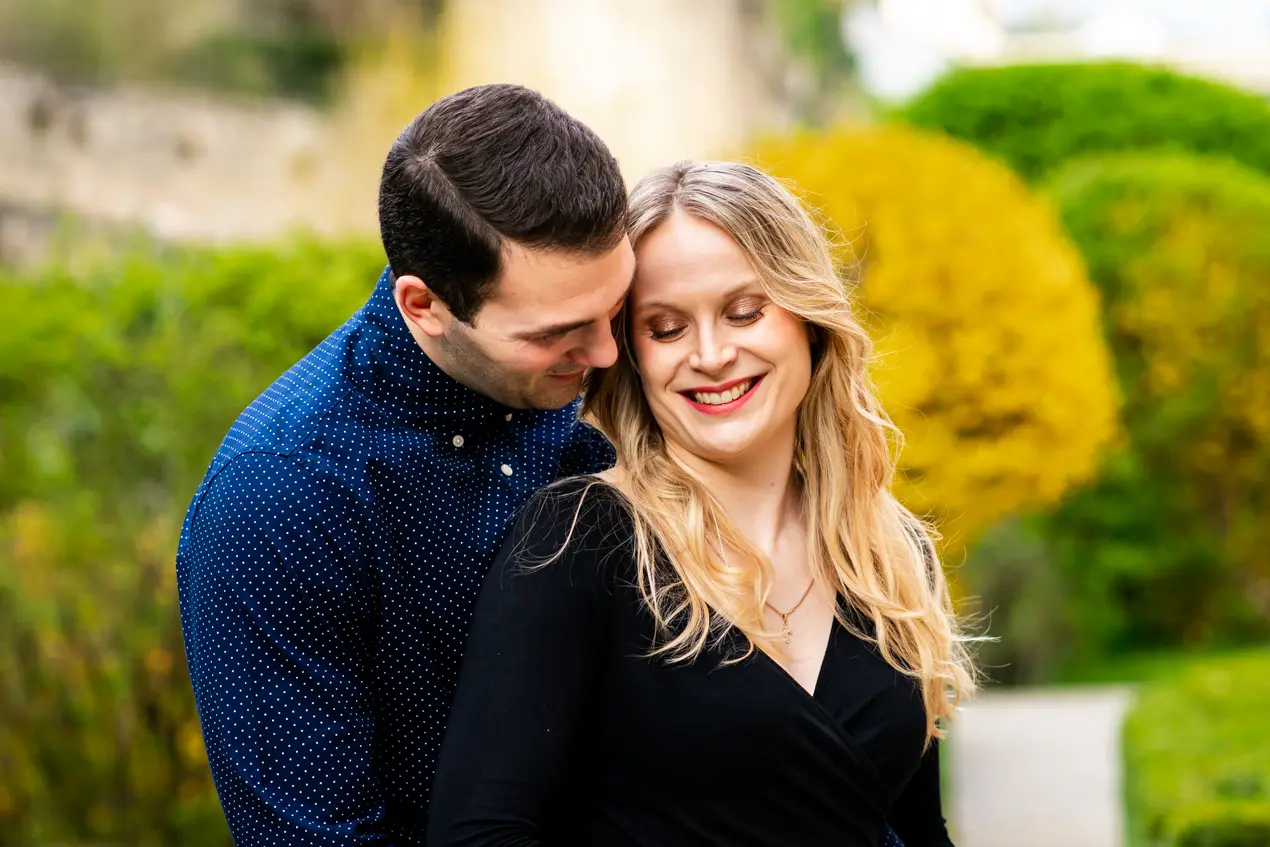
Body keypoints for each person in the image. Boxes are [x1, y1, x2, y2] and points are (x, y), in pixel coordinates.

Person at [426, 161, 978, 847]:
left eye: (745, 311)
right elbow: (478, 834)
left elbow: (922, 829)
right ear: (631, 355)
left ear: (808, 320)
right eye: (665, 328)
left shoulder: (891, 552)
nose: (712, 354)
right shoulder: (580, 541)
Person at [175, 84, 634, 844]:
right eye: (559, 334)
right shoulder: (279, 500)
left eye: (615, 308)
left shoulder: (611, 356)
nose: (609, 355)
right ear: (423, 305)